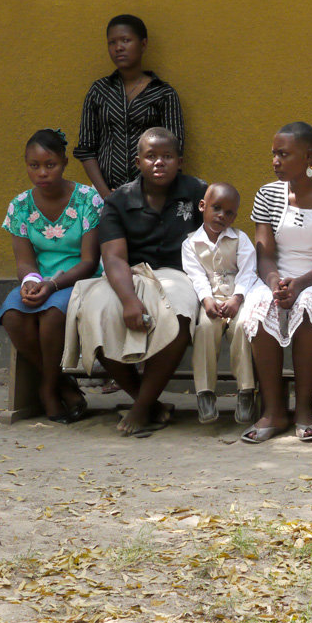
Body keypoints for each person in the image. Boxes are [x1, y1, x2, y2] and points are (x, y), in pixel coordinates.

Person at [62, 127, 205, 435]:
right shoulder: (118, 201)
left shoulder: (197, 192)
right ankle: (149, 402)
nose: (159, 162)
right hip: (130, 273)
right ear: (138, 162)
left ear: (179, 162)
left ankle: (140, 409)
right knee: (94, 312)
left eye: (167, 156)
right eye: (151, 156)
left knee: (180, 314)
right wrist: (129, 300)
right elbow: (114, 257)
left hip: (178, 273)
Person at [239, 123, 312, 443]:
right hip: (273, 275)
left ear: (309, 156)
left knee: (308, 309)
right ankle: (273, 411)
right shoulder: (267, 194)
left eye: (284, 154)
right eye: (274, 153)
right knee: (262, 307)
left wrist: (299, 284)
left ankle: (304, 410)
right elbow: (264, 255)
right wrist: (275, 282)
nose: (275, 160)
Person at [0, 129, 103, 422]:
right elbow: (24, 262)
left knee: (53, 314)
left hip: (80, 279)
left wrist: (53, 284)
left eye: (50, 165)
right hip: (40, 279)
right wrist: (31, 282)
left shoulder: (88, 199)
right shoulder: (20, 206)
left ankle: (47, 389)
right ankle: (61, 383)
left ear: (64, 163)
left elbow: (89, 261)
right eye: (34, 165)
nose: (42, 172)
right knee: (12, 315)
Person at [73, 14, 185, 199]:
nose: (118, 47)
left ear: (143, 44)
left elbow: (174, 150)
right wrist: (107, 196)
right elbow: (86, 149)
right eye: (112, 42)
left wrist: (148, 196)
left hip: (153, 197)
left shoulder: (164, 94)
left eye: (126, 40)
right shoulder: (99, 91)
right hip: (104, 196)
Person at [182, 183, 260, 424]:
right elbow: (196, 275)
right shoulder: (190, 244)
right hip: (210, 301)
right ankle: (205, 392)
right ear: (202, 206)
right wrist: (207, 299)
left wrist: (237, 298)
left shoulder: (240, 239)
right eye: (216, 208)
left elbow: (248, 271)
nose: (221, 216)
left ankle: (246, 391)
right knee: (205, 328)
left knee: (243, 327)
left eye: (229, 213)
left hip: (238, 300)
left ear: (234, 217)